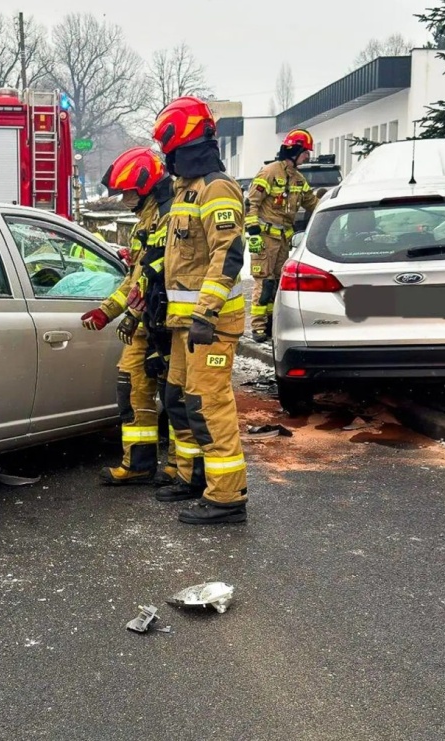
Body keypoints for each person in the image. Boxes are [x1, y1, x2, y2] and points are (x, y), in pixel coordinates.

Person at [151, 96, 249, 525]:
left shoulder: (216, 188)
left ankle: (227, 498)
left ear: (183, 142)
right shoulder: (184, 188)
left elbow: (228, 254)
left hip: (210, 324)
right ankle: (192, 477)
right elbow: (179, 255)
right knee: (180, 400)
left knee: (209, 405)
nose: (165, 157)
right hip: (183, 324)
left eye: (168, 149)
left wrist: (206, 312)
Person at [81, 147, 178, 487]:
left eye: (128, 192)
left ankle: (178, 468)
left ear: (147, 185)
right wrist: (107, 311)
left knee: (174, 398)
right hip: (144, 324)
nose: (124, 199)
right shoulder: (146, 220)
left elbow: (160, 279)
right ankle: (138, 464)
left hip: (166, 324)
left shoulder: (171, 216)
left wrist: (133, 315)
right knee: (131, 388)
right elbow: (135, 279)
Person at [244, 130, 320, 341]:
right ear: (295, 150)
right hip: (265, 239)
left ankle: (269, 323)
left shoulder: (298, 179)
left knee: (277, 282)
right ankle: (258, 327)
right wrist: (253, 232)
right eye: (305, 153)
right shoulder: (269, 172)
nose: (307, 157)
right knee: (264, 281)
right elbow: (252, 203)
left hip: (284, 240)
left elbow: (311, 203)